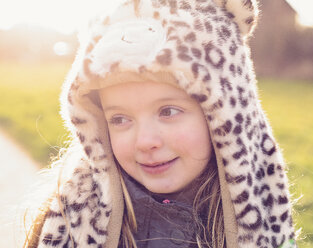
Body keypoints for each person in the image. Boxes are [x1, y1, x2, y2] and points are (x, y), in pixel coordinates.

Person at [24, 0, 297, 247]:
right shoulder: (70, 220)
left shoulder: (262, 226)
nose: (145, 141)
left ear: (223, 117)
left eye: (168, 111)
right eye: (119, 119)